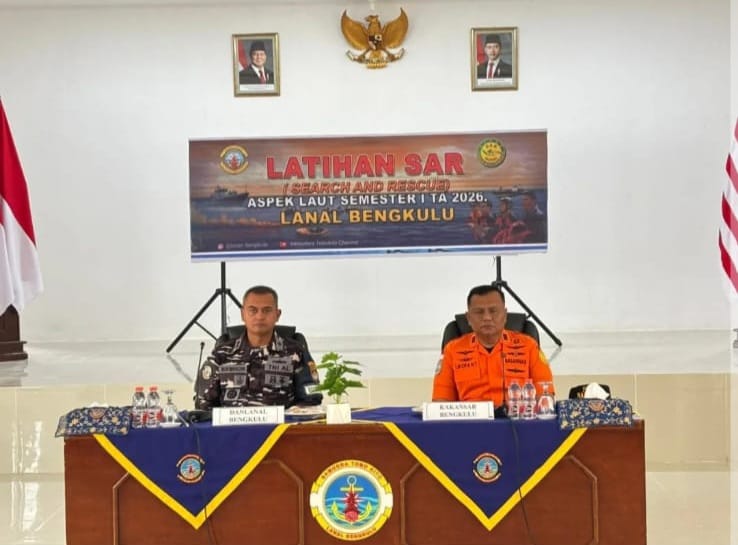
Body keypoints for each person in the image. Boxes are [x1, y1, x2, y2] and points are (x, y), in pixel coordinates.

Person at [194, 285, 322, 409]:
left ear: (277, 315)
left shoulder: (296, 352)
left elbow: (312, 399)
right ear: (243, 314)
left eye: (267, 310)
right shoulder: (221, 354)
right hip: (230, 424)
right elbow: (203, 403)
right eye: (253, 310)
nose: (260, 316)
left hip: (280, 423)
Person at [432, 285, 553, 409]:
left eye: (493, 311)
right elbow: (440, 404)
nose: (487, 318)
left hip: (516, 418)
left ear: (505, 315)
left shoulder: (529, 346)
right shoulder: (452, 350)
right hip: (472, 419)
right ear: (468, 318)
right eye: (479, 312)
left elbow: (546, 397)